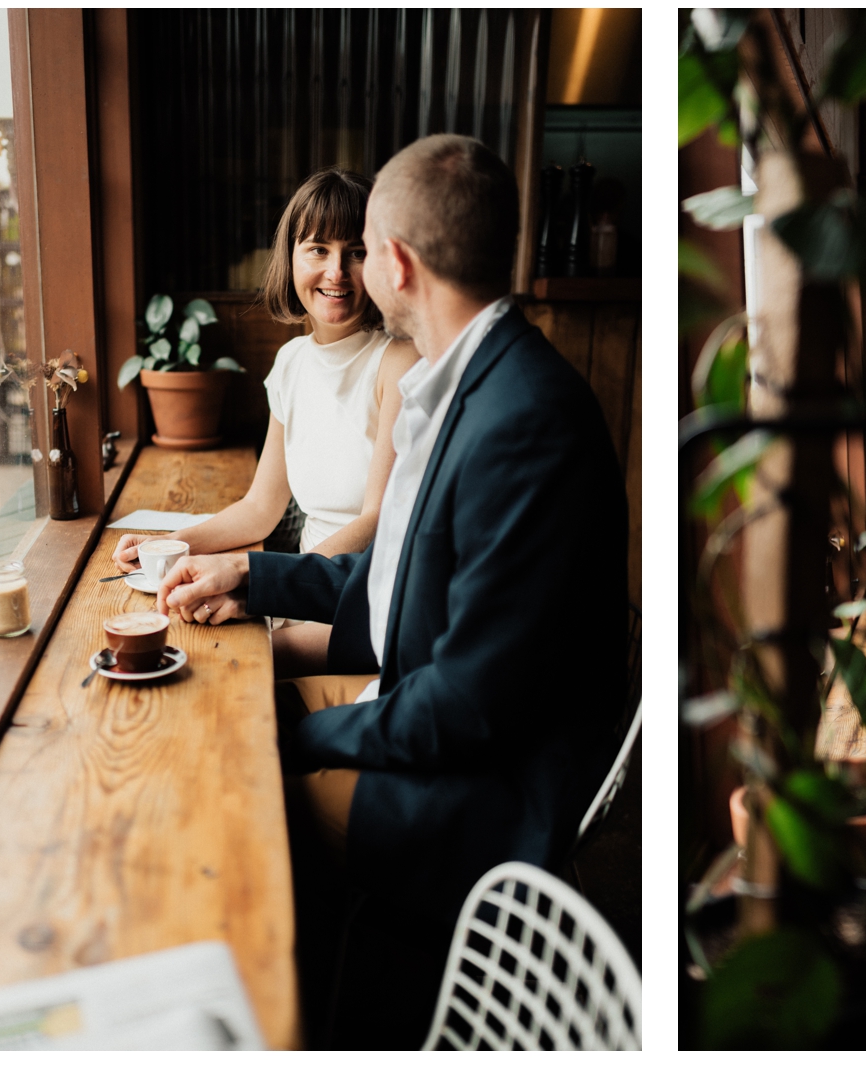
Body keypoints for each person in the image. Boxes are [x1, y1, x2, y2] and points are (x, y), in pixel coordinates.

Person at [154, 134, 629, 1041]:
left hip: (488, 789)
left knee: (228, 803)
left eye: (363, 248)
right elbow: (394, 585)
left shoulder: (521, 417)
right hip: (428, 705)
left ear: (397, 265)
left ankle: (306, 1025)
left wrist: (289, 737)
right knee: (215, 711)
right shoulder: (466, 382)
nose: (349, 269)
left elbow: (466, 705)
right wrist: (250, 577)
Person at [112, 169, 420, 676]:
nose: (337, 271)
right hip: (295, 593)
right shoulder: (293, 361)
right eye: (318, 249)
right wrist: (170, 545)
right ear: (291, 258)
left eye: (357, 251)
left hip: (365, 604)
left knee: (216, 669)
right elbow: (260, 507)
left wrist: (260, 584)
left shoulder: (397, 362)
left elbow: (377, 521)